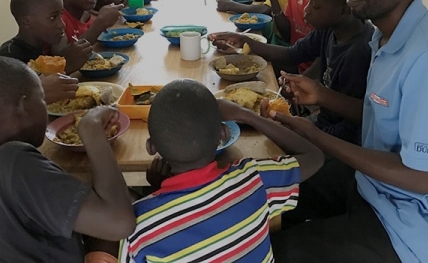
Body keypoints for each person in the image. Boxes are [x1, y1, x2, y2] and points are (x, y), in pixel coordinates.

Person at [267, 0, 428, 262]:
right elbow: (382, 117)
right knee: (264, 189)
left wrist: (315, 135)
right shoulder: (383, 37)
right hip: (370, 185)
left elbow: (424, 178)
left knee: (273, 253)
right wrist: (321, 96)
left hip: (407, 227)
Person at [118, 79, 323, 262]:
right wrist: (247, 115)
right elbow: (314, 156)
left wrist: (157, 192)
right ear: (223, 134)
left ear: (151, 147)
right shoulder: (254, 179)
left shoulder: (139, 225)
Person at [210, 0, 373, 144]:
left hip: (338, 140)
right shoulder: (329, 31)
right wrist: (243, 41)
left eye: (315, 6)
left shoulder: (359, 52)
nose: (307, 11)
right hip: (323, 123)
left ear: (344, 10)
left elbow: (352, 125)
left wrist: (305, 133)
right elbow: (291, 54)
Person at [0, 56, 135, 262]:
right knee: (137, 203)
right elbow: (120, 223)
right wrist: (92, 133)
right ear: (24, 107)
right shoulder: (14, 162)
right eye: (43, 100)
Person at [0, 0, 92, 103]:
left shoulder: (43, 45)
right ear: (27, 22)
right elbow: (12, 103)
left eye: (61, 15)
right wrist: (65, 67)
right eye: (53, 17)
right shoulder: (9, 56)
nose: (62, 24)